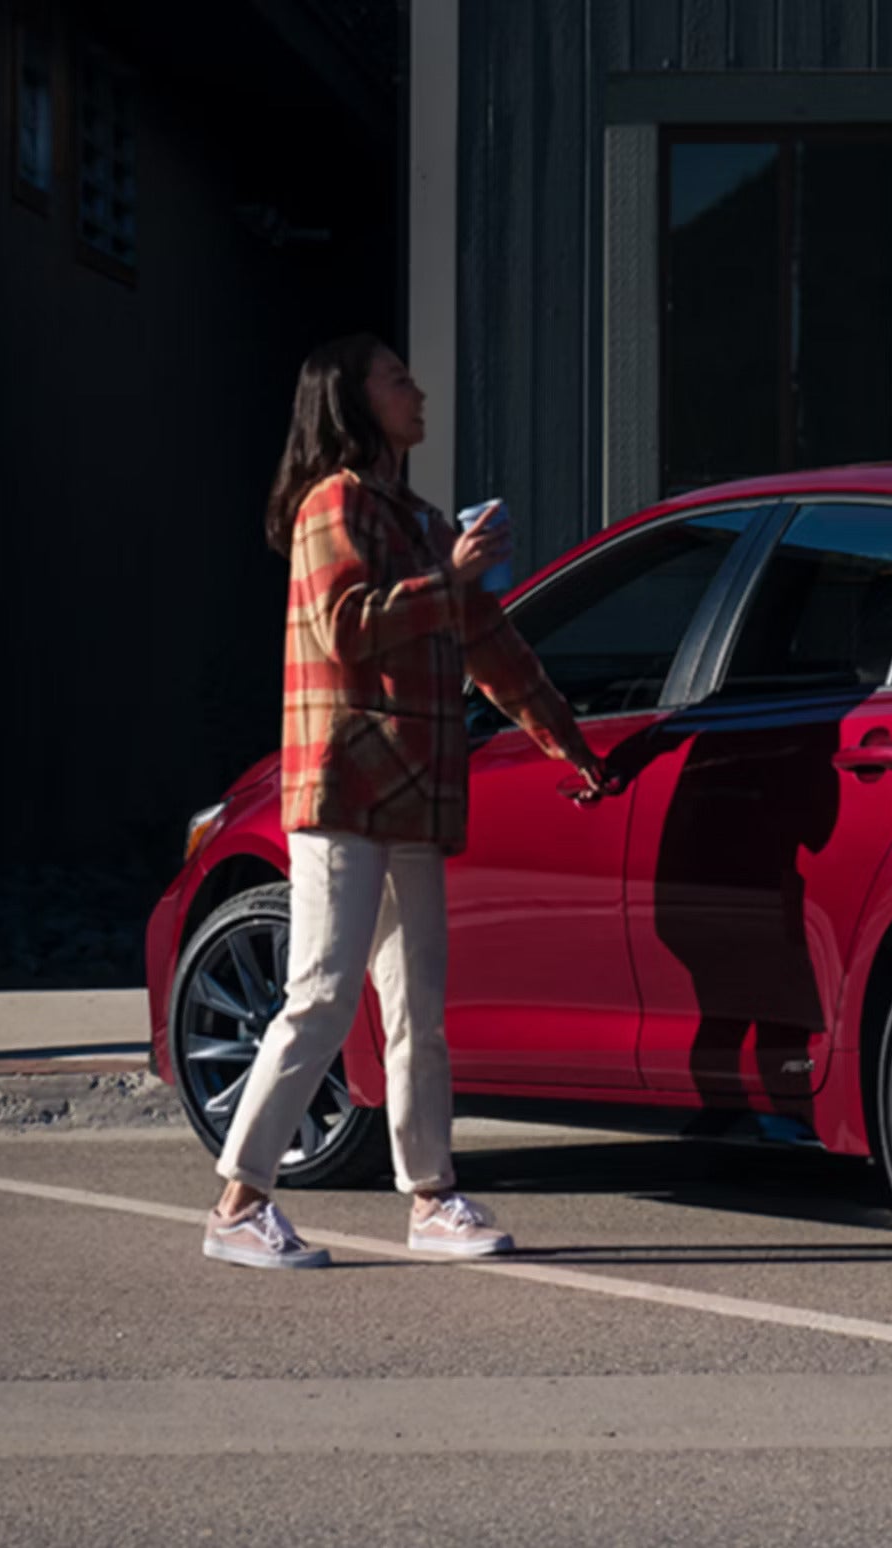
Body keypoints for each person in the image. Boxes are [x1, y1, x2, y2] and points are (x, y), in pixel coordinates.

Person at [203, 334, 610, 1270]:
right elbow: (344, 627)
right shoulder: (332, 504)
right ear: (352, 401)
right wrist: (452, 578)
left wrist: (571, 743)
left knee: (417, 1006)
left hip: (416, 800)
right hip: (346, 789)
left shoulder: (426, 522)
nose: (418, 392)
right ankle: (237, 1203)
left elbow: (494, 650)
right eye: (397, 380)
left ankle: (433, 1199)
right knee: (320, 994)